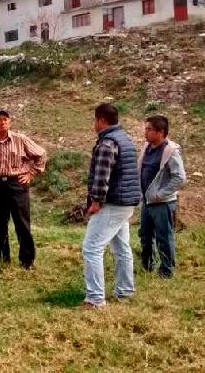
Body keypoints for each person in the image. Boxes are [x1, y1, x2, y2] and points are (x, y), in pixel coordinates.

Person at [83, 103, 141, 308]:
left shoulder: (107, 143)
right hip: (126, 202)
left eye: (94, 119)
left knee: (91, 248)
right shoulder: (125, 138)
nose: (94, 124)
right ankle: (125, 291)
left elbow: (102, 176)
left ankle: (95, 299)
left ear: (101, 120)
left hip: (113, 203)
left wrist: (96, 201)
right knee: (121, 247)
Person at [0, 108, 46, 269]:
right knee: (0, 223)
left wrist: (31, 173)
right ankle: (3, 258)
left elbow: (41, 154)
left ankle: (27, 260)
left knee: (22, 223)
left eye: (5, 119)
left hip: (17, 184)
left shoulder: (20, 139)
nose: (3, 122)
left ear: (10, 122)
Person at [138, 115, 186, 278]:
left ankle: (167, 271)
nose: (145, 132)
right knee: (145, 235)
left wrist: (161, 194)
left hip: (162, 203)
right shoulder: (147, 147)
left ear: (160, 132)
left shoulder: (170, 151)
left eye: (149, 129)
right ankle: (147, 266)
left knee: (164, 238)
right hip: (146, 201)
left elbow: (179, 177)